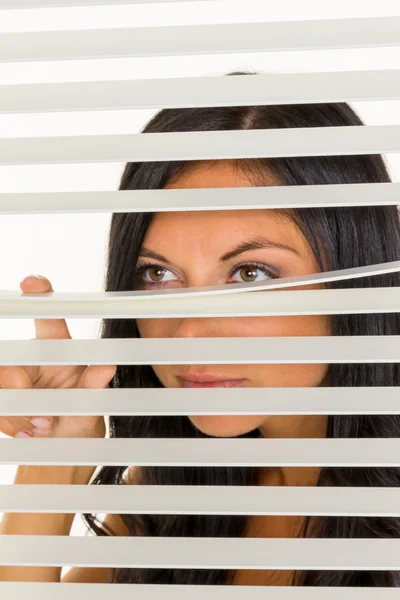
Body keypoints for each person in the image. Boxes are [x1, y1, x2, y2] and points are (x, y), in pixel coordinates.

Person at [0, 70, 399, 588]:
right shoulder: (180, 495)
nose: (189, 333)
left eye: (250, 274)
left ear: (354, 269)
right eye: (159, 275)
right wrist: (52, 464)